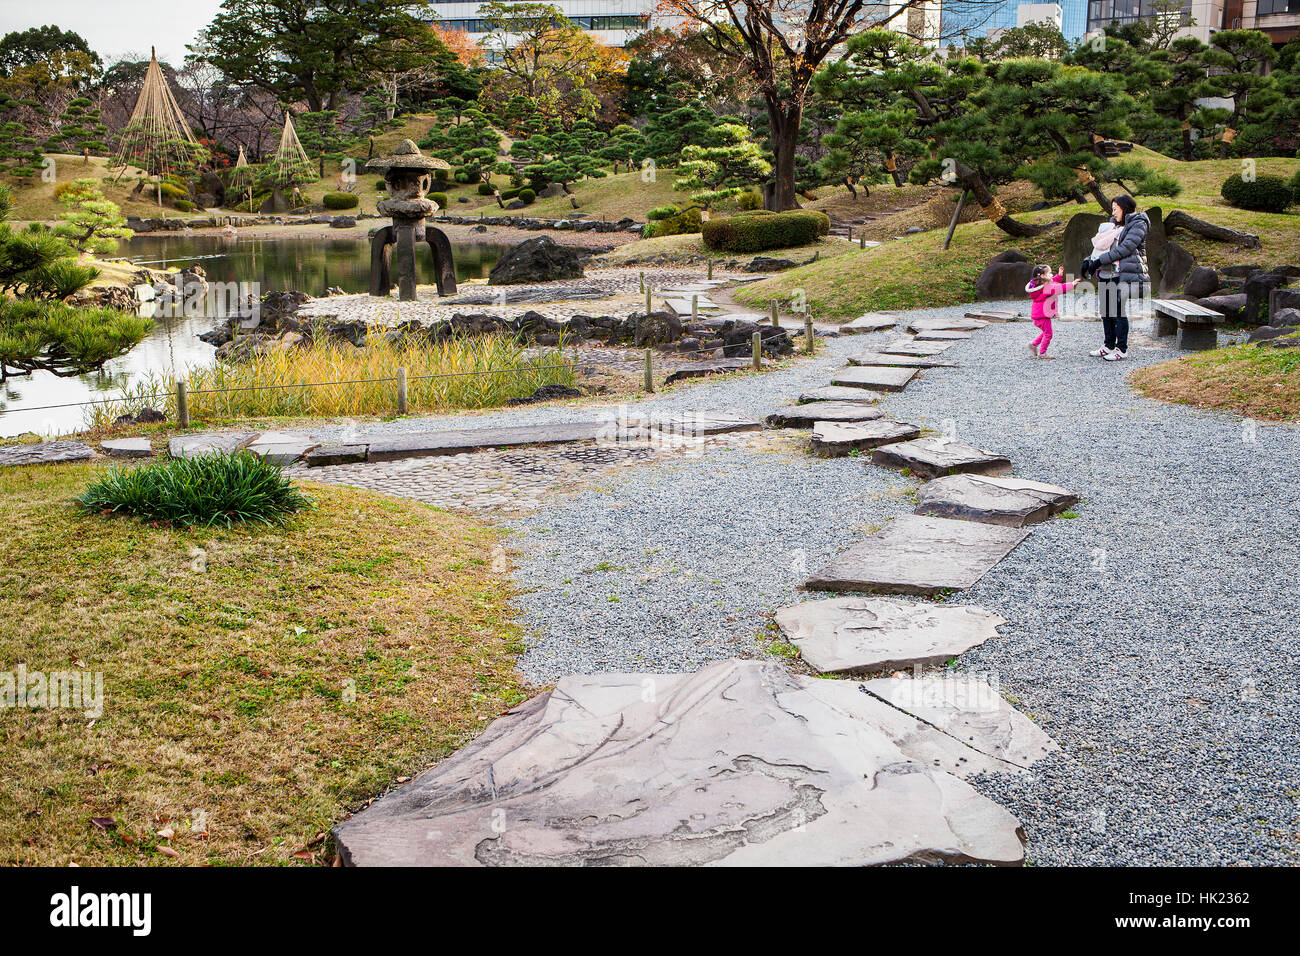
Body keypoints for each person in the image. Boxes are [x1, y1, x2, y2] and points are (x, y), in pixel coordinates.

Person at [1081, 194, 1149, 362]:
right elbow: (1100, 248)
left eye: (1115, 209)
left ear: (1125, 208)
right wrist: (1088, 261)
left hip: (1123, 274)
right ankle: (1109, 345)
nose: (1113, 212)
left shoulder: (1138, 224)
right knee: (1105, 311)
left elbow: (1125, 249)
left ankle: (1122, 348)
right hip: (1106, 273)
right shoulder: (1112, 226)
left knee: (1118, 311)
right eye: (1112, 209)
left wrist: (1098, 261)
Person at [1025, 264, 1078, 359]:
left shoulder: (1039, 285)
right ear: (1042, 276)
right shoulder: (1047, 287)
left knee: (1046, 332)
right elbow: (1058, 288)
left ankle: (1033, 345)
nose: (1051, 275)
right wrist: (1072, 284)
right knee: (1048, 334)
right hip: (1042, 315)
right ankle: (1042, 353)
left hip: (1038, 315)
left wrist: (1059, 276)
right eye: (1049, 273)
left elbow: (1053, 282)